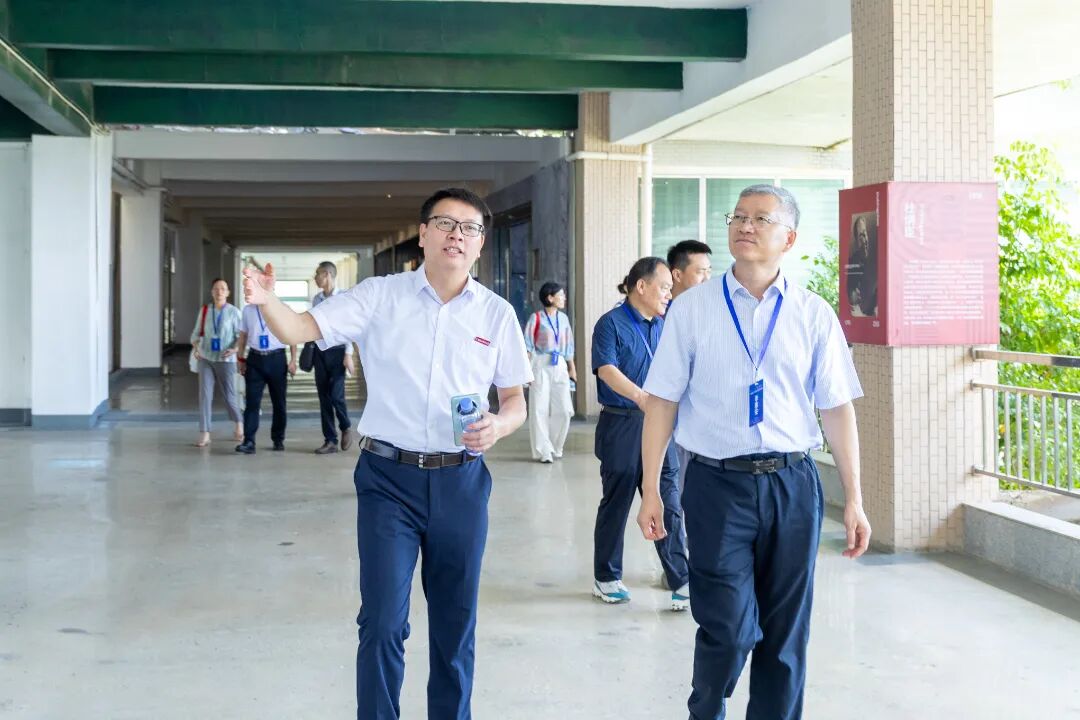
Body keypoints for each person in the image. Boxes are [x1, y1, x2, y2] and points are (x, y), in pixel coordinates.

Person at [241, 188, 531, 720]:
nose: (457, 236)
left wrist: (498, 426)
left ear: (480, 243)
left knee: (455, 623)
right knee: (382, 621)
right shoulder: (380, 296)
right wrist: (266, 301)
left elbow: (515, 401)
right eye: (445, 224)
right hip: (388, 480)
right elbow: (301, 327)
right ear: (422, 234)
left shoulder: (496, 314)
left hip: (461, 482)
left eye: (469, 228)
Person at [637, 184, 871, 720]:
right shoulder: (692, 309)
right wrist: (651, 489)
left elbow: (836, 409)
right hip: (716, 484)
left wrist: (854, 498)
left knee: (786, 632)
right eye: (738, 216)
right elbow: (662, 403)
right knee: (729, 625)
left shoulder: (813, 314)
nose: (745, 225)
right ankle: (707, 708)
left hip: (793, 483)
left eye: (761, 218)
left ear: (788, 238)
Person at [590, 257, 690, 612]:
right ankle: (606, 576)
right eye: (664, 287)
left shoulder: (666, 326)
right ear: (641, 286)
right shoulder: (610, 324)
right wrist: (641, 397)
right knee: (617, 502)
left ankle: (681, 579)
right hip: (622, 424)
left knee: (669, 500)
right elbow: (606, 369)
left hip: (660, 425)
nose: (668, 294)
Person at [666, 239, 713, 495]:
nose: (707, 278)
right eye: (700, 271)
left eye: (709, 271)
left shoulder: (711, 315)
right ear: (677, 274)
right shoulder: (660, 315)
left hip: (700, 423)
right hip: (667, 419)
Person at [234, 303, 298, 454]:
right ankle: (249, 441)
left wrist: (293, 360)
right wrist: (240, 359)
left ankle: (278, 439)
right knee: (252, 403)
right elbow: (243, 336)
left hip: (277, 359)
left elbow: (292, 334)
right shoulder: (248, 310)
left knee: (279, 402)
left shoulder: (282, 308)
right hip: (255, 359)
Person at [523, 281, 576, 463]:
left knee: (565, 409)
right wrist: (526, 372)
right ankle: (544, 450)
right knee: (539, 408)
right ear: (550, 298)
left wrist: (572, 368)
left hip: (559, 364)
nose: (564, 298)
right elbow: (528, 346)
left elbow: (569, 345)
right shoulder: (536, 318)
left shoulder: (564, 319)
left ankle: (556, 445)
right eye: (560, 295)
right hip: (540, 364)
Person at [190, 278, 243, 448]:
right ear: (212, 292)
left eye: (223, 288)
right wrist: (196, 348)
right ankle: (205, 433)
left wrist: (235, 349)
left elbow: (240, 336)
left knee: (229, 395)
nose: (219, 291)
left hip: (226, 360)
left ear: (228, 293)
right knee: (205, 395)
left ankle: (238, 423)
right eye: (216, 288)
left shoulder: (234, 312)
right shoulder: (205, 310)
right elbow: (196, 334)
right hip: (206, 358)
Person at [311, 261, 357, 454]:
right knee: (324, 398)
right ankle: (330, 440)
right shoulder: (317, 299)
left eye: (318, 273)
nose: (315, 277)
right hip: (321, 352)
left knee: (336, 395)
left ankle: (345, 426)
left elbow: (350, 327)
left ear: (327, 275)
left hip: (338, 352)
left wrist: (348, 354)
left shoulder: (343, 297)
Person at [846, 215, 878, 317]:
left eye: (865, 234)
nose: (865, 240)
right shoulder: (852, 264)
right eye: (861, 237)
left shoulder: (876, 257)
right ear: (857, 241)